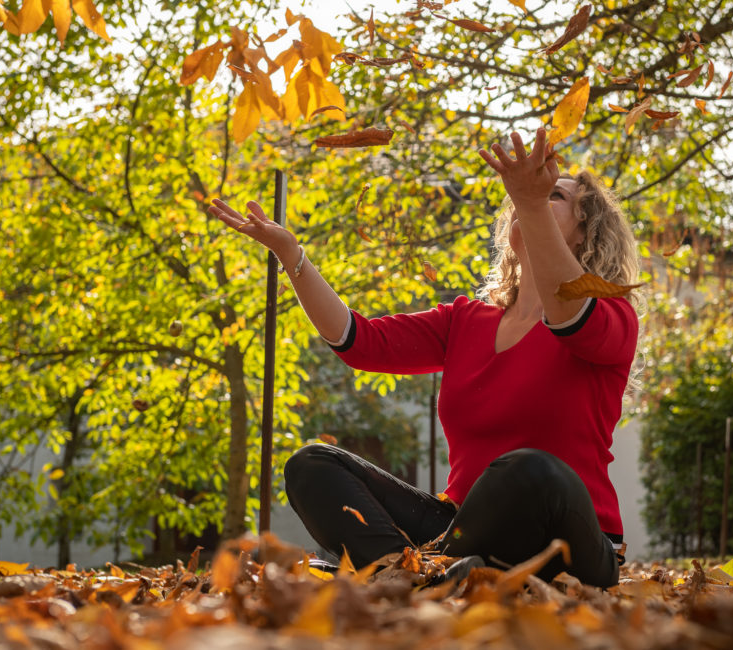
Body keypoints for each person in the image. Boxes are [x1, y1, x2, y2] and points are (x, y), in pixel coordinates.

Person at [208, 127, 642, 587]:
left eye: (552, 194)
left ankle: (446, 572)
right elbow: (358, 341)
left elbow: (569, 313)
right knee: (312, 463)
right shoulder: (465, 321)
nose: (529, 199)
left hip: (567, 540)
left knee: (528, 467)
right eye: (526, 197)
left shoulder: (613, 316)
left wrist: (530, 202)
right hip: (461, 532)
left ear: (585, 234)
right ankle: (409, 577)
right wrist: (292, 255)